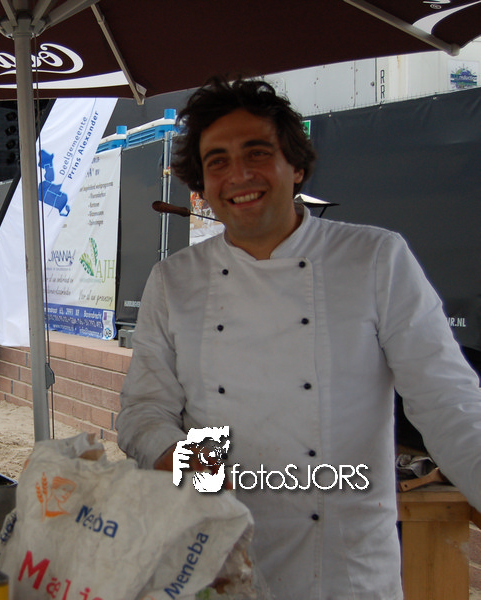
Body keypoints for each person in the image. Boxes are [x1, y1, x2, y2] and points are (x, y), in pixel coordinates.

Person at [116, 76, 481, 600]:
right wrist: (191, 464)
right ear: (202, 184)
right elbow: (145, 410)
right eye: (217, 161)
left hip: (342, 570)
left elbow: (447, 402)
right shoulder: (175, 280)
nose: (238, 174)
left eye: (257, 153)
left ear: (297, 167)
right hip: (215, 563)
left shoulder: (374, 259)